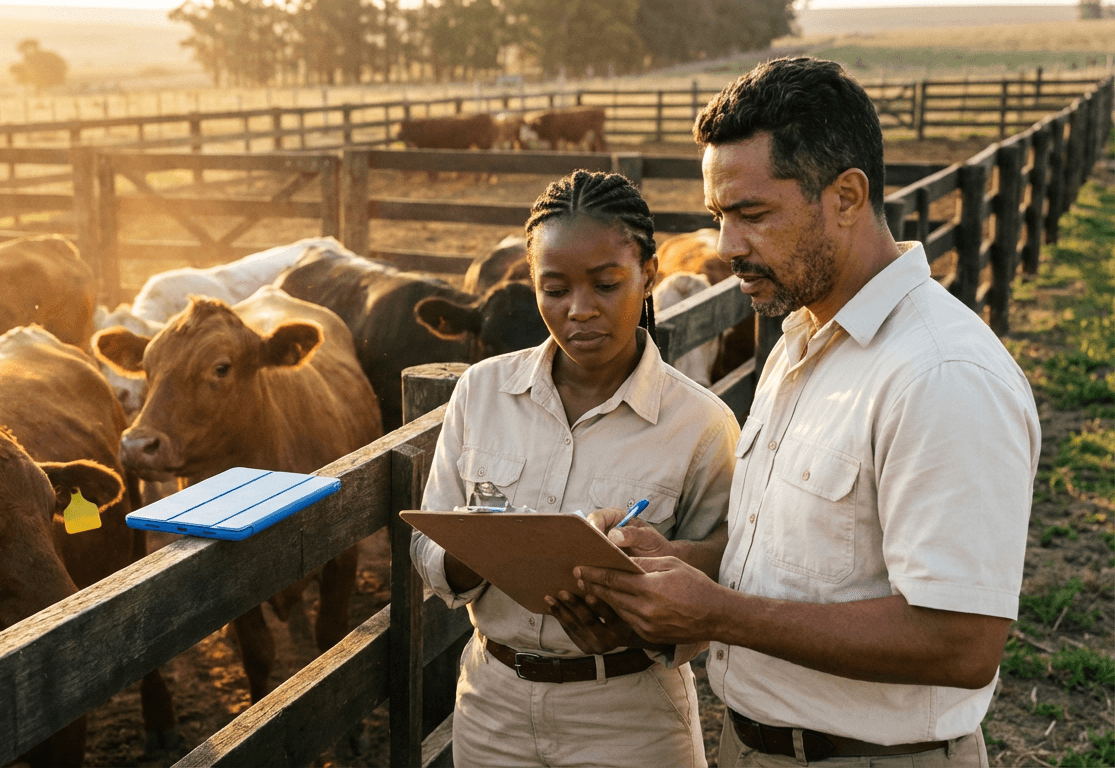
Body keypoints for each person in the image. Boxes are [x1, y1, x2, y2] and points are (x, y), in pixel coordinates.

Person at [570, 57, 1041, 767]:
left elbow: (963, 643)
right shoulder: (799, 340)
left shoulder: (942, 375)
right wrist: (677, 567)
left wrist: (717, 613)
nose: (727, 247)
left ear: (846, 196)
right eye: (718, 217)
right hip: (752, 744)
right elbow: (797, 558)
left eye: (752, 214)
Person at [410, 169, 740, 768]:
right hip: (493, 705)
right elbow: (426, 546)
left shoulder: (702, 424)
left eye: (606, 284)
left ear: (648, 277)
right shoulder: (481, 392)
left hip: (629, 712)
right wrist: (477, 547)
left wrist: (644, 605)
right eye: (555, 288)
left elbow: (722, 589)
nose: (579, 311)